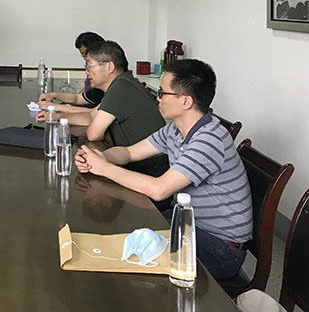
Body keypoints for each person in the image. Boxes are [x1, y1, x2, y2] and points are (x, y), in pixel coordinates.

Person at [74, 59, 253, 280]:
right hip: (188, 224)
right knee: (127, 230)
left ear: (186, 101)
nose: (157, 98)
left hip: (219, 247)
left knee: (130, 259)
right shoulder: (175, 130)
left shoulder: (208, 139)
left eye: (162, 93)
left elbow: (159, 190)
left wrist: (103, 168)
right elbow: (129, 153)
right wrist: (102, 157)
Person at [36, 40, 167, 175]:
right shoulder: (122, 83)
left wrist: (103, 130)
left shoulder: (121, 88)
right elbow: (91, 116)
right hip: (140, 162)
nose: (87, 72)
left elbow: (93, 134)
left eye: (89, 66)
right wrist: (56, 116)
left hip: (151, 168)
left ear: (109, 67)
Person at [38, 31, 105, 113]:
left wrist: (58, 107)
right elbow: (78, 98)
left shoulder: (109, 90)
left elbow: (92, 113)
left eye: (85, 54)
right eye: (83, 55)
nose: (87, 73)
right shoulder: (95, 85)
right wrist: (53, 96)